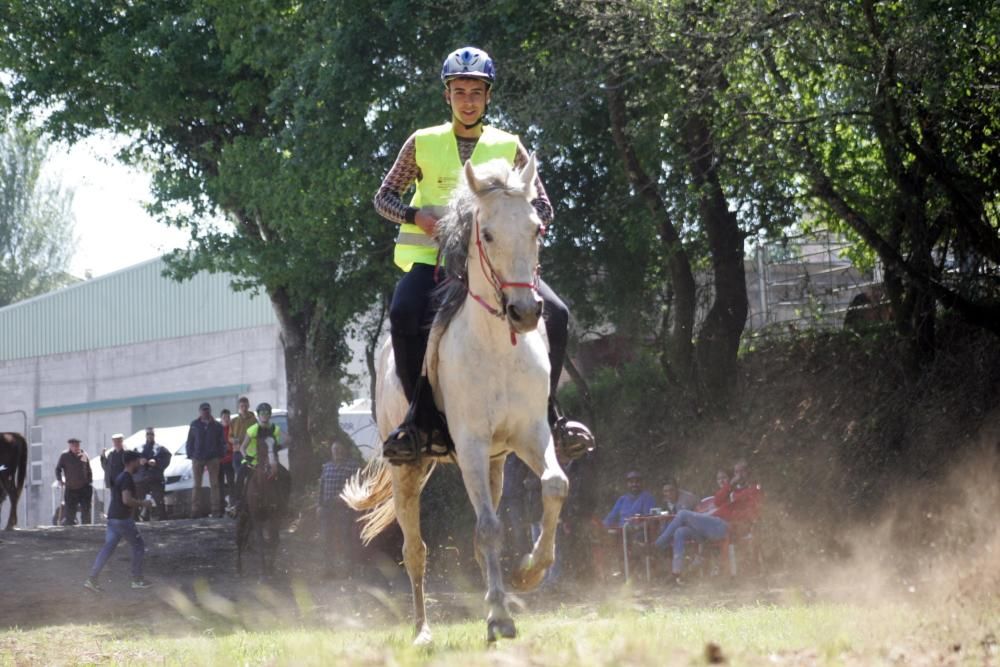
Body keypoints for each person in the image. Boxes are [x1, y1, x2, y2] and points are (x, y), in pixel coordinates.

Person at [372, 45, 594, 465]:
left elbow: (544, 205)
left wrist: (527, 227)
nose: (468, 100)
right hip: (434, 264)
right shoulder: (421, 142)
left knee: (559, 313)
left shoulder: (509, 145)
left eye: (476, 92)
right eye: (460, 92)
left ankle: (552, 416)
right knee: (402, 311)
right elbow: (383, 198)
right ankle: (417, 419)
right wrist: (414, 215)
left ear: (488, 96)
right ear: (447, 96)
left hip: (497, 265)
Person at [652, 460, 764, 584]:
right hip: (714, 526)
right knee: (680, 532)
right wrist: (729, 486)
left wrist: (731, 515)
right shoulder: (732, 490)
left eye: (741, 471)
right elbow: (717, 501)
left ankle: (656, 547)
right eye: (736, 472)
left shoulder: (754, 490)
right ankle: (676, 574)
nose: (738, 475)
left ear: (748, 472)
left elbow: (752, 514)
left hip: (726, 527)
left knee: (683, 514)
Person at [84, 451, 154, 592]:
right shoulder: (126, 478)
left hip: (113, 518)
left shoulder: (121, 476)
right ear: (131, 462)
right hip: (122, 519)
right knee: (138, 545)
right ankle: (137, 580)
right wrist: (143, 503)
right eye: (138, 461)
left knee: (108, 549)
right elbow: (126, 500)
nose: (139, 464)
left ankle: (92, 579)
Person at [233, 402, 289, 513]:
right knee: (240, 477)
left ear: (269, 414)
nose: (264, 415)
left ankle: (285, 503)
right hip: (253, 462)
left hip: (271, 462)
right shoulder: (253, 430)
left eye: (267, 413)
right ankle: (237, 504)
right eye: (262, 413)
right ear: (258, 415)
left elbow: (288, 439)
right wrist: (247, 457)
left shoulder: (275, 429)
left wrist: (279, 447)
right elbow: (242, 447)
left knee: (286, 476)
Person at [318, 440, 361, 576]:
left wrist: (343, 496)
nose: (337, 452)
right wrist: (319, 505)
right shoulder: (326, 467)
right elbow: (321, 487)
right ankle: (328, 569)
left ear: (344, 450)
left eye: (339, 449)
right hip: (327, 508)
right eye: (334, 450)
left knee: (345, 538)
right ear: (331, 452)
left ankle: (348, 569)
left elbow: (357, 485)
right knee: (326, 538)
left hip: (344, 508)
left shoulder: (352, 466)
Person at [186, 402, 226, 518]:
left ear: (210, 410)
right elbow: (190, 441)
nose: (205, 412)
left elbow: (222, 442)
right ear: (200, 411)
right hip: (197, 458)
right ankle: (195, 510)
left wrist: (220, 455)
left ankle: (216, 510)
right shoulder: (194, 425)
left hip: (213, 458)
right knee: (196, 485)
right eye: (203, 410)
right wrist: (191, 455)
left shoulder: (217, 426)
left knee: (214, 484)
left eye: (207, 410)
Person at [134, 427, 171, 521]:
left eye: (151, 434)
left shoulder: (160, 449)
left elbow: (167, 458)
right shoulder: (138, 448)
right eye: (148, 434)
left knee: (159, 500)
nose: (150, 436)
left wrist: (156, 462)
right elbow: (132, 460)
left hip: (155, 478)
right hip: (142, 479)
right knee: (140, 500)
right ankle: (140, 518)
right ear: (145, 436)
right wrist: (139, 461)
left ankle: (162, 519)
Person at [55, 438, 93, 525]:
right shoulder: (64, 456)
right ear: (70, 446)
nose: (76, 448)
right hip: (71, 489)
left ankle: (87, 529)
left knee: (86, 512)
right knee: (70, 513)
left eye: (77, 445)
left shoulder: (84, 455)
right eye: (74, 446)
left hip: (84, 488)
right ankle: (71, 532)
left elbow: (89, 469)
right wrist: (60, 479)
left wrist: (89, 481)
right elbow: (58, 469)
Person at [228, 397, 257, 489]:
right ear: (239, 407)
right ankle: (239, 498)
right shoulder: (234, 421)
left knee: (250, 475)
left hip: (249, 452)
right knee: (240, 475)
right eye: (242, 406)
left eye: (245, 406)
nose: (244, 408)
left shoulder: (254, 420)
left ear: (248, 406)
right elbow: (229, 437)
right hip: (237, 452)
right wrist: (234, 440)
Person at [218, 409, 236, 511]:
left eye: (228, 417)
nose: (226, 419)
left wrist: (230, 446)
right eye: (224, 417)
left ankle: (233, 503)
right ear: (221, 418)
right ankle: (221, 505)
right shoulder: (217, 429)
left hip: (230, 459)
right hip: (219, 460)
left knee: (231, 482)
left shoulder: (232, 428)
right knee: (219, 484)